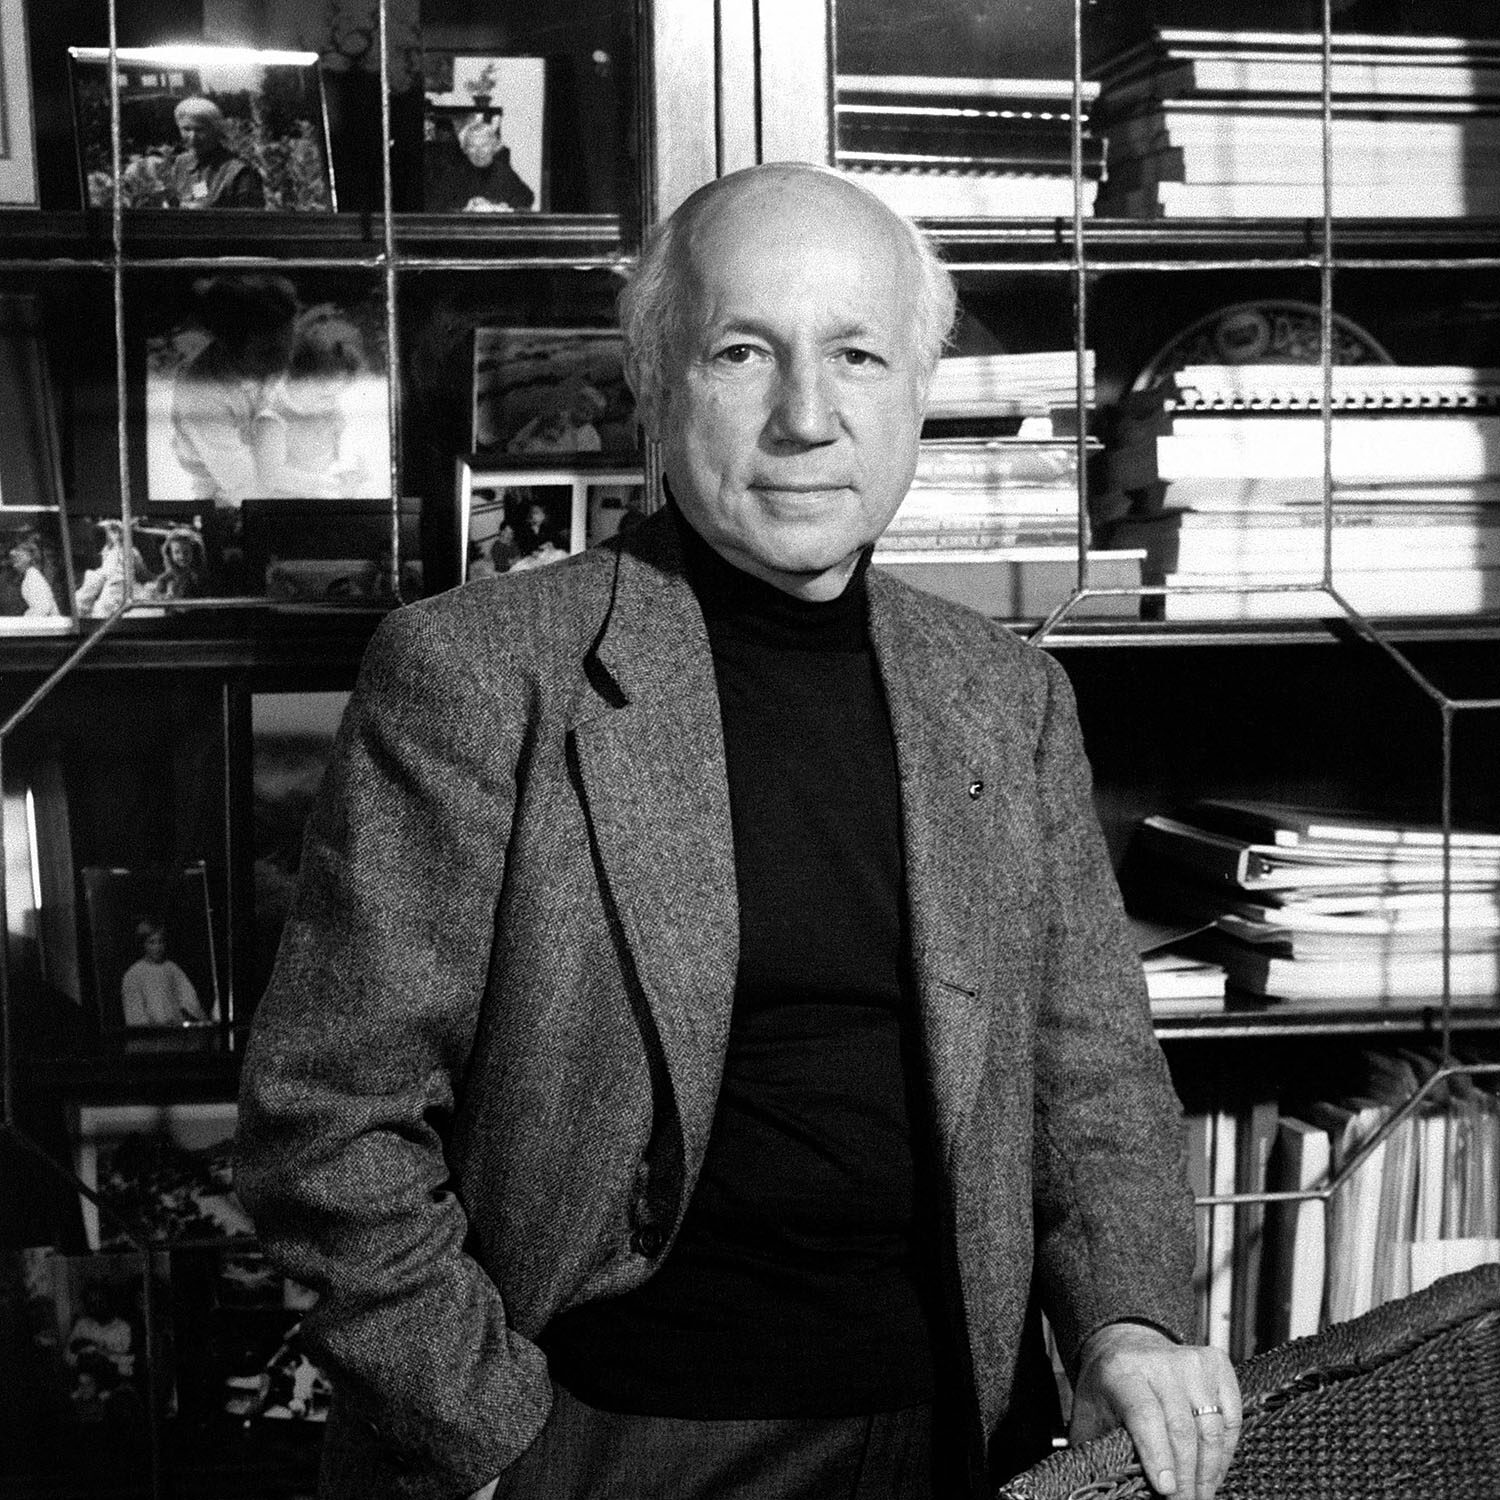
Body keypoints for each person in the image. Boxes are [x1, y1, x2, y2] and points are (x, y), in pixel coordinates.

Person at [236, 163, 1239, 1500]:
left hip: (958, 1433)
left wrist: (1126, 1320)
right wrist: (495, 1442)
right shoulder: (478, 674)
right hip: (605, 1439)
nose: (808, 417)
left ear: (917, 392)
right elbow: (329, 1118)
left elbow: (1091, 1071)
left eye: (859, 356)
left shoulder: (1007, 695)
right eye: (743, 353)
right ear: (657, 383)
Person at [171, 274, 299, 503]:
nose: (283, 362)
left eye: (288, 343)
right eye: (267, 353)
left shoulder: (270, 352)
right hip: (212, 475)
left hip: (255, 444)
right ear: (227, 345)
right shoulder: (200, 395)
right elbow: (246, 491)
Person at [169, 97, 265, 210]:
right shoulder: (181, 163)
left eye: (200, 130)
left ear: (216, 130)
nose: (193, 137)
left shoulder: (239, 172)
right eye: (186, 129)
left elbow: (251, 222)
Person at [120, 919, 209, 1028]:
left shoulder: (172, 968)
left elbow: (190, 1000)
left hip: (176, 1033)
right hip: (151, 1037)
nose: (157, 947)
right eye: (152, 942)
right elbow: (135, 1015)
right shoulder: (133, 975)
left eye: (160, 942)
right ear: (143, 944)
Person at [74, 520, 152, 617]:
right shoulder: (107, 552)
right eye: (113, 532)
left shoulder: (131, 551)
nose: (117, 535)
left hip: (127, 589)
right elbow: (103, 573)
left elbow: (142, 572)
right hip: (111, 591)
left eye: (118, 532)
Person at [0, 535, 59, 617]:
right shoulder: (29, 576)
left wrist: (21, 623)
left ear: (30, 556)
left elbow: (43, 609)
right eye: (12, 549)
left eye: (18, 549)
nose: (12, 552)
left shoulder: (33, 577)